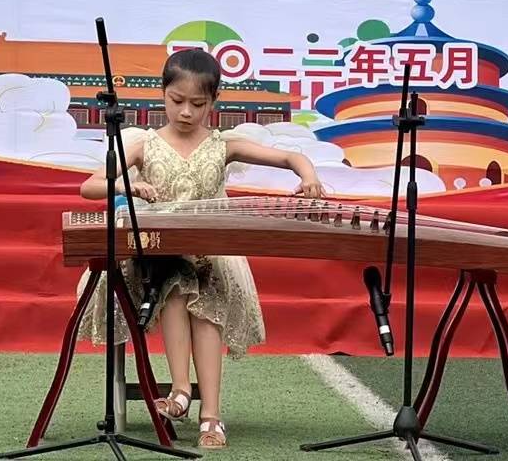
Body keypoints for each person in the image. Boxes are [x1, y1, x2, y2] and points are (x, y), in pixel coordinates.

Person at [78, 47, 325, 449]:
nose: (186, 112)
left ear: (214, 101)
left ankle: (210, 413)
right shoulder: (144, 144)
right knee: (177, 284)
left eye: (197, 104)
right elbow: (90, 187)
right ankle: (180, 390)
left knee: (203, 294)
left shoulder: (222, 145)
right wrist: (129, 185)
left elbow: (290, 157)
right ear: (162, 94)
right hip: (155, 257)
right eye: (177, 101)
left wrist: (309, 176)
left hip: (209, 254)